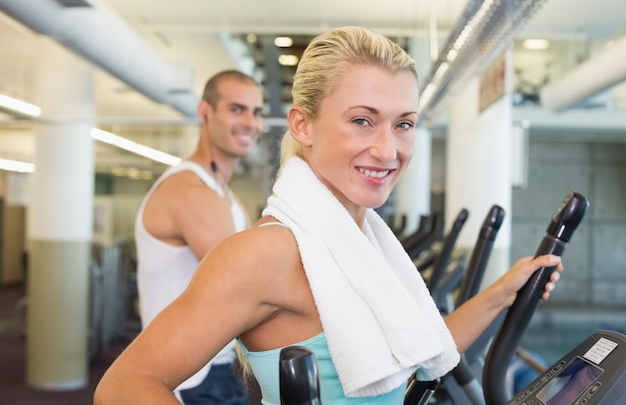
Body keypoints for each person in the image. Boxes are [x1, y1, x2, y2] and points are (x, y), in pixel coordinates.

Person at [94, 26, 564, 405]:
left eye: (403, 124)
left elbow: (422, 349)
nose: (387, 149)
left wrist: (501, 294)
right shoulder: (265, 253)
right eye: (362, 120)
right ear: (303, 124)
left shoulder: (365, 245)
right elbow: (123, 386)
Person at [133, 69, 264, 405]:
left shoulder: (230, 199)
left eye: (257, 112)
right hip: (191, 375)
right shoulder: (189, 189)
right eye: (237, 109)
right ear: (205, 113)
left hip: (221, 365)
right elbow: (245, 283)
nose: (251, 122)